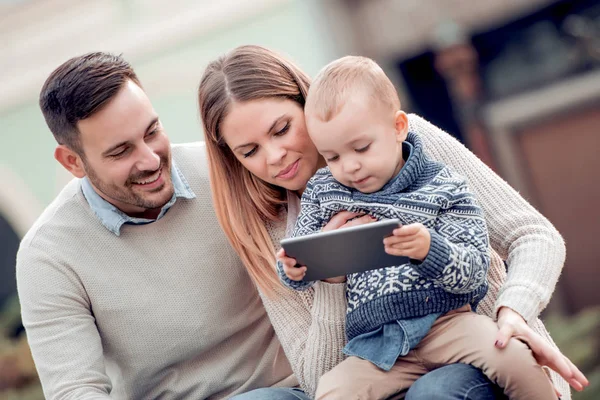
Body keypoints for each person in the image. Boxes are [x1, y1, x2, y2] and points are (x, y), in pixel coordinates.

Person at [198, 45, 588, 399]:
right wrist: (332, 269)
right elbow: (318, 378)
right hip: (378, 373)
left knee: (437, 390)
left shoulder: (406, 142)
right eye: (249, 151)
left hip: (474, 346)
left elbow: (533, 235)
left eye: (282, 129)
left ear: (307, 102)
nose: (275, 156)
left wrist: (514, 311)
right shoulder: (267, 229)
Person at [16, 52, 317, 399]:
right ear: (73, 161)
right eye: (121, 151)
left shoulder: (228, 171)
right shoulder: (48, 255)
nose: (150, 159)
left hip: (287, 392)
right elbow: (74, 390)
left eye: (152, 131)